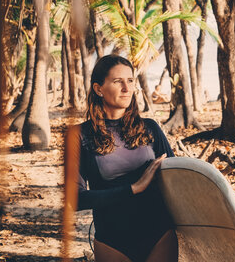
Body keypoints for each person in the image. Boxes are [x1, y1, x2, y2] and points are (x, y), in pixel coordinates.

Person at [66, 55, 178, 262]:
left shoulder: (150, 128)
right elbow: (76, 198)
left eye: (130, 81)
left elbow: (175, 180)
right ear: (99, 89)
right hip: (112, 239)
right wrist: (134, 188)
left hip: (159, 233)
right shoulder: (79, 135)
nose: (127, 88)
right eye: (118, 81)